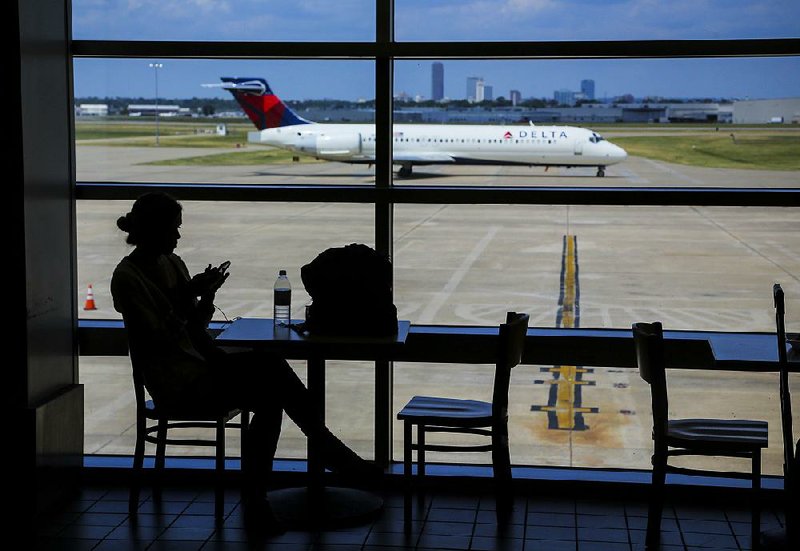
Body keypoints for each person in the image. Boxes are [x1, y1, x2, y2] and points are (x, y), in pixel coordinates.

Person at [111, 192, 378, 532]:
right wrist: (187, 297)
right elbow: (158, 338)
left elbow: (193, 326)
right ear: (153, 230)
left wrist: (204, 296)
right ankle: (324, 454)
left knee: (269, 391)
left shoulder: (172, 263)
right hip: (176, 382)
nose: (178, 238)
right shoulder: (127, 277)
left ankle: (267, 494)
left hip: (200, 367)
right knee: (270, 373)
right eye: (172, 230)